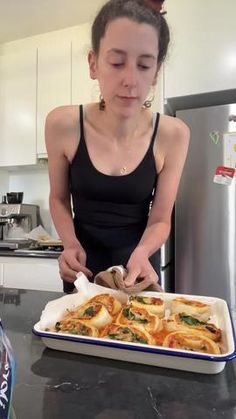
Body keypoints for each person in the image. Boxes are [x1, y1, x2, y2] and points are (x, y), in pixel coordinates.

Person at [45, 0, 190, 293]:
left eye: (144, 65)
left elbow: (161, 219)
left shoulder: (173, 135)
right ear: (93, 64)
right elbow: (59, 199)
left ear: (156, 72)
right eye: (116, 62)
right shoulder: (62, 124)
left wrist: (142, 252)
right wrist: (69, 243)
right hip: (81, 271)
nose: (130, 80)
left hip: (139, 267)